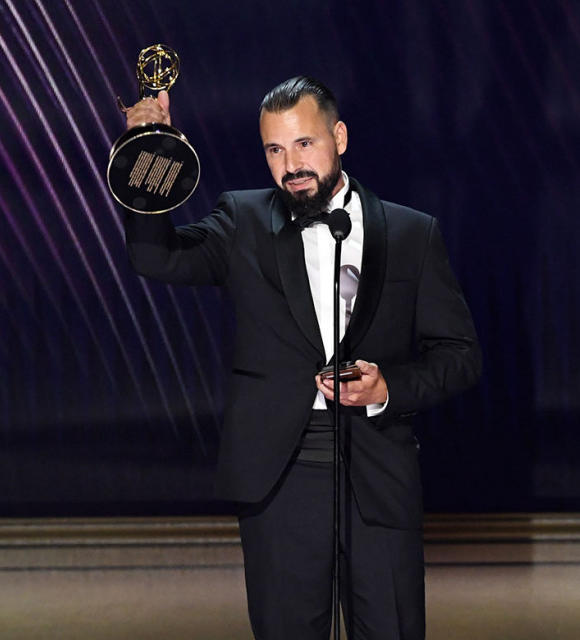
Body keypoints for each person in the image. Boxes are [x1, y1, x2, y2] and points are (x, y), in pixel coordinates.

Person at [120, 76, 481, 640]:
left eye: (304, 144)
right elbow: (156, 258)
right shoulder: (241, 221)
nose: (290, 164)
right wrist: (147, 157)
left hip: (378, 477)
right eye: (274, 149)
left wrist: (389, 388)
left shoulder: (413, 233)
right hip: (279, 478)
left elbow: (460, 356)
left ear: (338, 136)